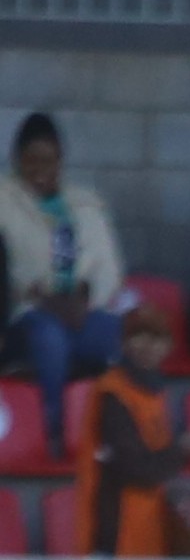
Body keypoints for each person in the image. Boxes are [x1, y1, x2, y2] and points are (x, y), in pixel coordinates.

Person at [0, 113, 123, 430]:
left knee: (122, 335)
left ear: (61, 160)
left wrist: (86, 295)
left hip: (80, 312)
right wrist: (42, 297)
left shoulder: (83, 205)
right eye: (31, 161)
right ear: (17, 160)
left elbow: (109, 268)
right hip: (27, 315)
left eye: (49, 160)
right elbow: (8, 272)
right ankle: (53, 432)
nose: (40, 171)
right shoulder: (5, 200)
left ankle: (114, 430)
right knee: (50, 338)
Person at [85, 305, 190, 560]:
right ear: (124, 344)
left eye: (157, 338)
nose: (148, 345)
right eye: (139, 336)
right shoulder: (114, 393)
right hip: (115, 525)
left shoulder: (156, 392)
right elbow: (134, 467)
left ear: (169, 347)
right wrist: (181, 450)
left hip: (147, 519)